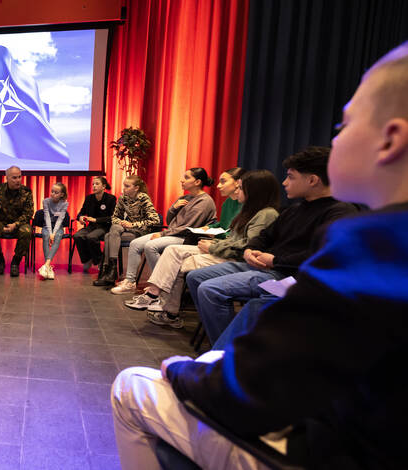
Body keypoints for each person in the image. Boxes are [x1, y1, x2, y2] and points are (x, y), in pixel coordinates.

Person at [112, 41, 408, 469]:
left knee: (132, 385)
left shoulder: (377, 245)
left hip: (333, 449)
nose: (335, 141)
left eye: (344, 127)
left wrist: (179, 369)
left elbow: (254, 388)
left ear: (390, 140)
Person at [186, 147, 358, 344]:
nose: (284, 183)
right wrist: (250, 249)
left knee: (211, 289)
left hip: (289, 276)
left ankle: (226, 353)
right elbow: (264, 236)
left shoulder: (339, 212)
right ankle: (226, 343)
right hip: (265, 267)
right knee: (196, 276)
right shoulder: (294, 210)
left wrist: (276, 260)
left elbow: (324, 255)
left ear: (312, 180)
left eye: (291, 177)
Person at [126, 170, 280, 329]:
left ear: (253, 191)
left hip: (233, 257)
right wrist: (174, 209)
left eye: (240, 188)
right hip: (221, 249)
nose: (237, 191)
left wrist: (213, 247)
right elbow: (174, 220)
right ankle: (154, 293)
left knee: (175, 260)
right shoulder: (247, 210)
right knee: (172, 251)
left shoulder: (265, 214)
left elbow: (247, 246)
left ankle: (168, 310)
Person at [110, 167, 217, 295]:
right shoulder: (186, 198)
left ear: (197, 182)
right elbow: (169, 220)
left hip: (186, 237)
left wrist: (162, 233)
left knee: (151, 246)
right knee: (135, 244)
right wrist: (173, 208)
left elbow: (187, 227)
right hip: (173, 233)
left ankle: (161, 284)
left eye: (187, 177)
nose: (182, 180)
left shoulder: (204, 201)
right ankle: (130, 282)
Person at [94, 175, 161, 287]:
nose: (123, 188)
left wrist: (132, 224)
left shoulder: (143, 198)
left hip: (141, 231)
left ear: (136, 188)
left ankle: (108, 272)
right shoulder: (123, 198)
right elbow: (114, 217)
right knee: (114, 229)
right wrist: (122, 223)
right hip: (127, 228)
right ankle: (111, 271)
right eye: (124, 185)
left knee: (108, 236)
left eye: (127, 186)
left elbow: (155, 220)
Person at [0, 165, 34, 276]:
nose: (18, 180)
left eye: (19, 177)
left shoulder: (26, 191)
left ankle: (15, 262)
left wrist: (15, 224)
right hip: (0, 222)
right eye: (14, 178)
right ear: (7, 178)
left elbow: (29, 213)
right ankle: (0, 260)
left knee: (26, 231)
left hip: (19, 223)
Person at [72, 176, 116, 272]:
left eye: (97, 184)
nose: (94, 186)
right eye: (93, 184)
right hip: (91, 226)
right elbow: (82, 212)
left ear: (104, 186)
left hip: (104, 227)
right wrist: (80, 217)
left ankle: (100, 261)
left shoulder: (111, 199)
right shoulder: (89, 198)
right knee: (77, 236)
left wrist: (96, 220)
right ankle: (87, 259)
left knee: (91, 237)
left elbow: (112, 217)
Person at [38, 182, 69, 280]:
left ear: (62, 194)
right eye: (52, 191)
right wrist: (50, 233)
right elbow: (46, 217)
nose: (53, 194)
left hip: (58, 226)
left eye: (56, 192)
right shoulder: (46, 201)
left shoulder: (64, 204)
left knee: (58, 236)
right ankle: (48, 267)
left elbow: (60, 220)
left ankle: (46, 265)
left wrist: (54, 233)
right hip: (47, 226)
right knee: (46, 236)